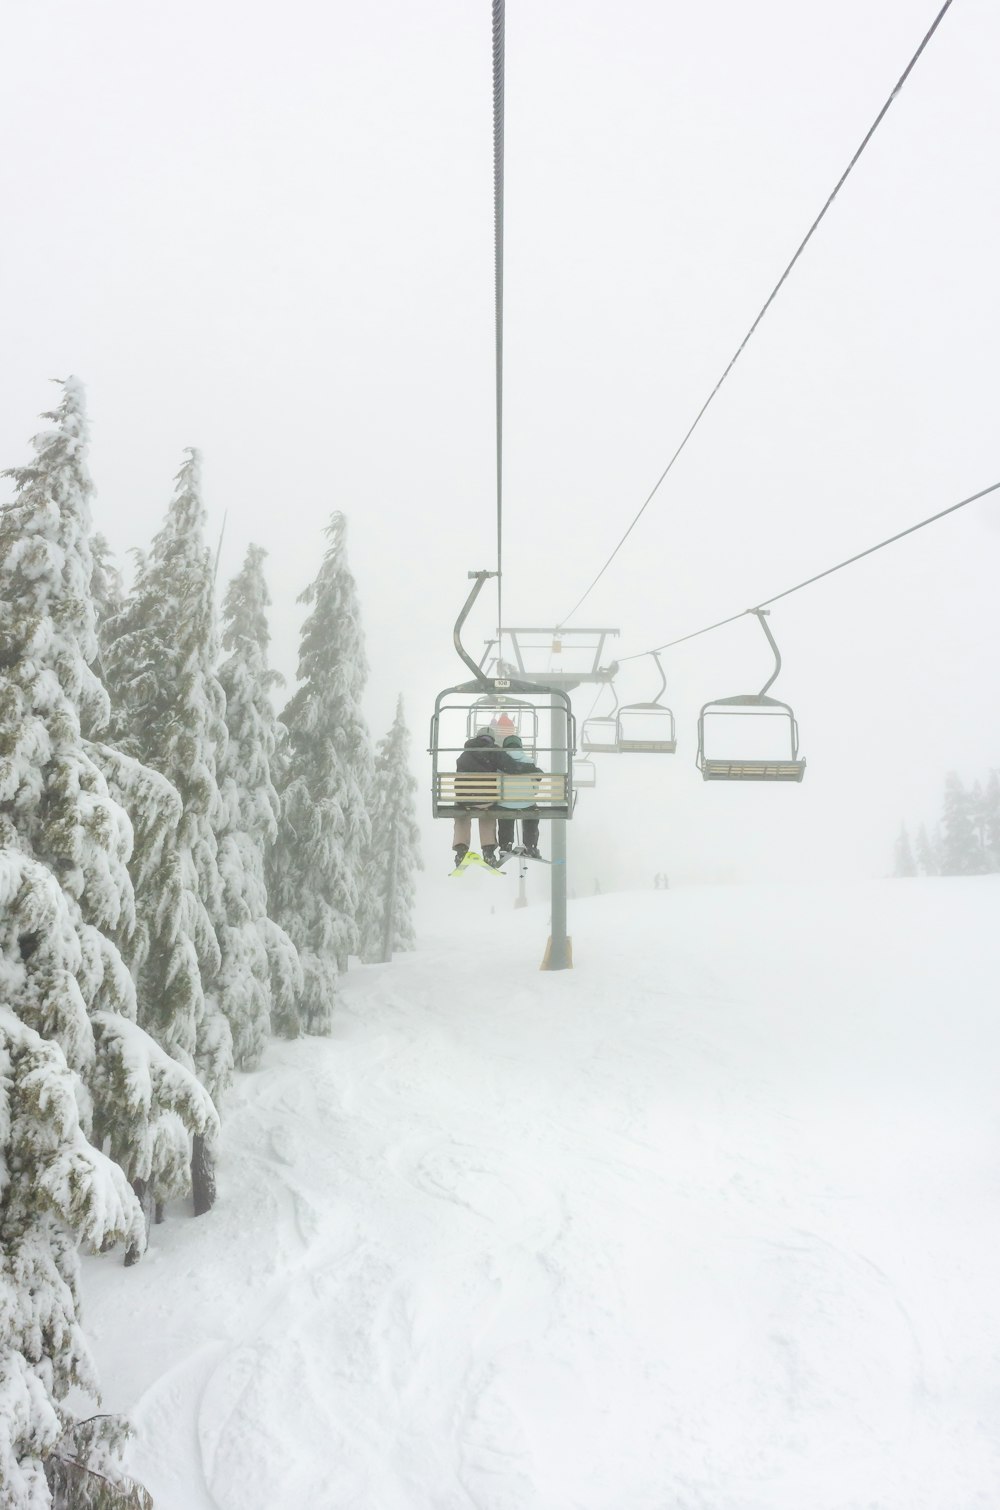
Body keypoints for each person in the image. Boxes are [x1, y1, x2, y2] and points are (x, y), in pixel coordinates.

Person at [453, 728, 539, 868]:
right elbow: (512, 768)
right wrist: (532, 769)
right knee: (487, 812)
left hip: (465, 801)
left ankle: (461, 850)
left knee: (461, 814)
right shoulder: (494, 752)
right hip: (486, 800)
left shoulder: (465, 754)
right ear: (492, 740)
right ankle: (488, 851)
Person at [496, 733, 543, 859]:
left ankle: (506, 845)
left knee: (504, 812)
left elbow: (496, 786)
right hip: (526, 804)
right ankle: (530, 845)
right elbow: (535, 790)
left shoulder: (499, 762)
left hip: (505, 803)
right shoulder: (529, 762)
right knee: (532, 813)